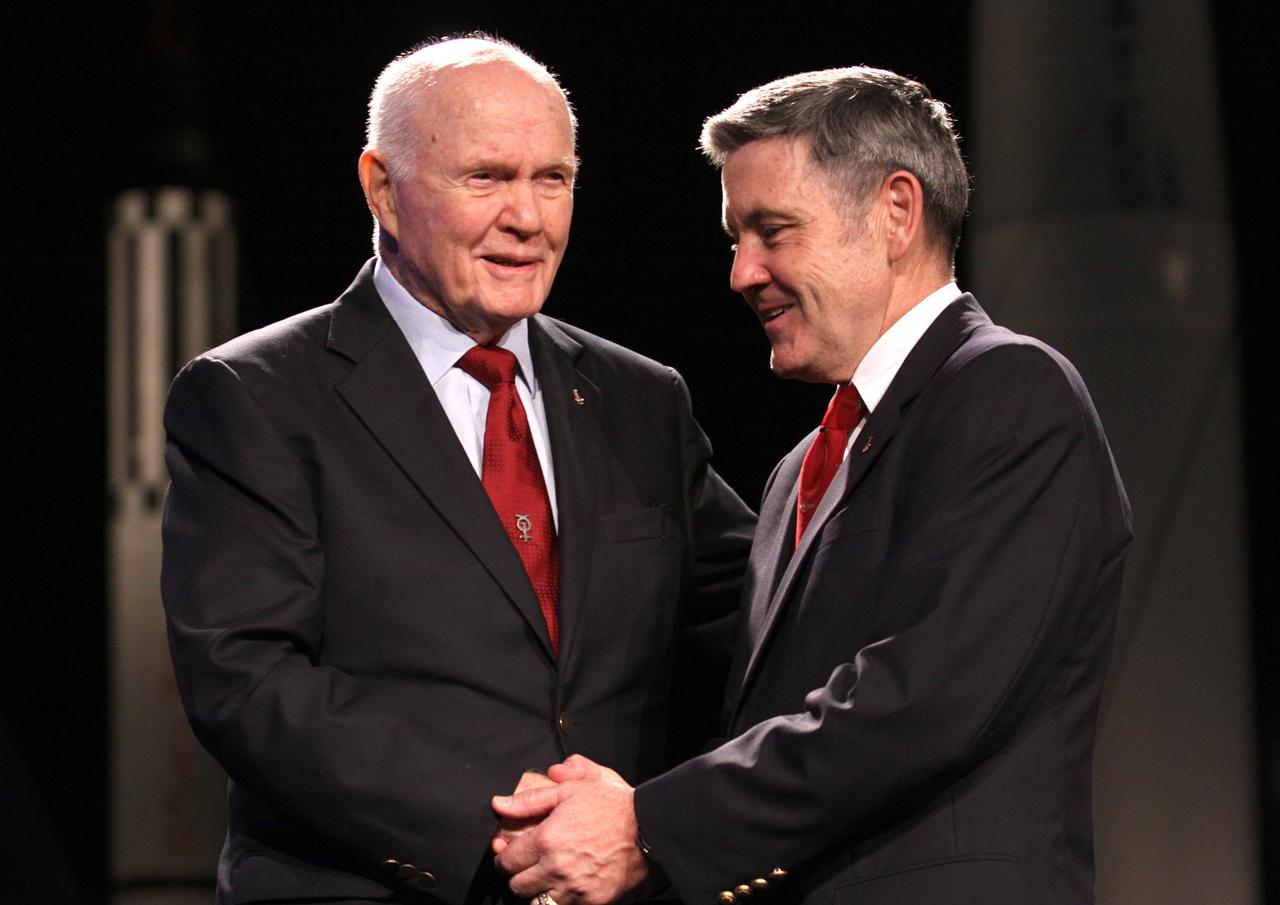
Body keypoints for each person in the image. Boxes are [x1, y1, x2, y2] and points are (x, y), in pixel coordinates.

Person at [492, 66, 1133, 905]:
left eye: (773, 231)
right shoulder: (802, 468)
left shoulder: (1010, 391)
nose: (742, 272)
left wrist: (647, 822)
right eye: (735, 238)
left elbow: (922, 699)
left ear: (896, 211)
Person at [160, 35, 754, 905]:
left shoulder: (638, 399)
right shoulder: (258, 396)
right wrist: (511, 837)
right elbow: (248, 681)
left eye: (552, 179)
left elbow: (758, 605)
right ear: (382, 189)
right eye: (487, 178)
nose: (529, 217)